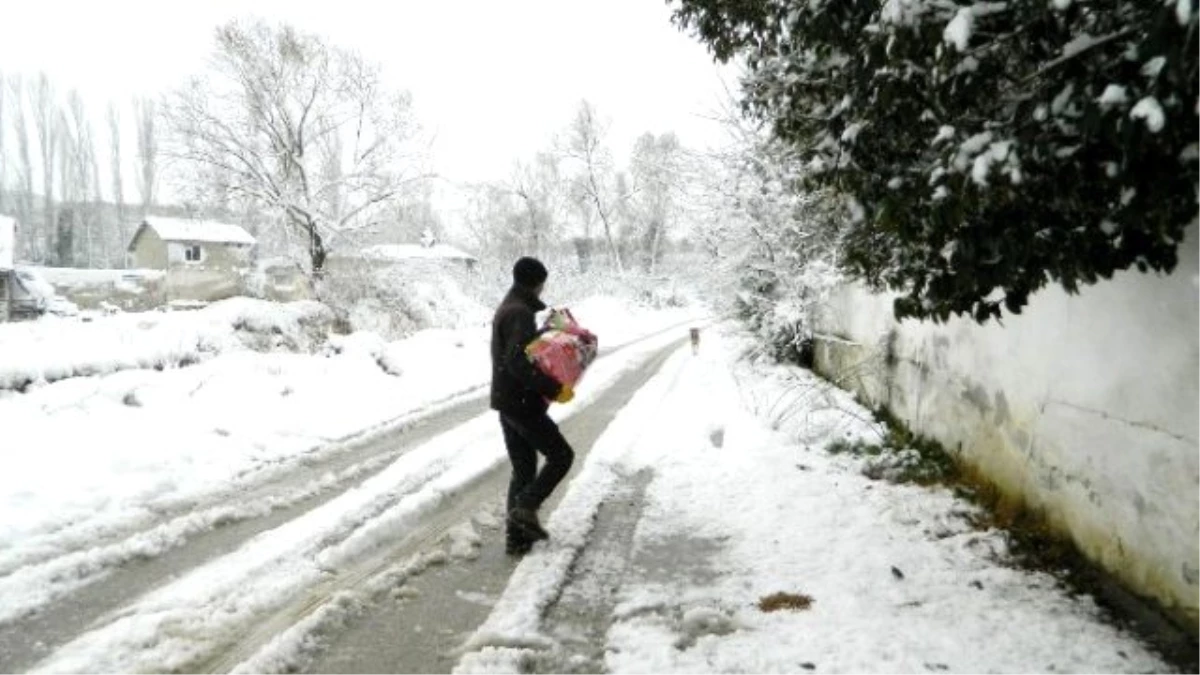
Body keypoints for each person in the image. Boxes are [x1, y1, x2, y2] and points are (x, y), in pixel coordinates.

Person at [491, 257, 576, 555]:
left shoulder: (512, 307)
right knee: (561, 456)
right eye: (543, 283)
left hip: (507, 401)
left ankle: (517, 540)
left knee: (524, 470)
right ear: (537, 282)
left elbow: (522, 349)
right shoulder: (519, 312)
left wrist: (545, 333)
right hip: (521, 401)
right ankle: (525, 508)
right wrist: (554, 388)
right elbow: (517, 361)